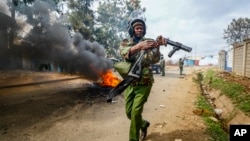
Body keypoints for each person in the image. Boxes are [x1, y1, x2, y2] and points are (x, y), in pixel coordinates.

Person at [119, 10, 167, 141]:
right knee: (129, 113)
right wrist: (138, 46)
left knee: (135, 113)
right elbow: (123, 53)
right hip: (130, 82)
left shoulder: (149, 42)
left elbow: (154, 59)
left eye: (141, 28)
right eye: (137, 28)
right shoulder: (126, 42)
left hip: (144, 83)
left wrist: (157, 47)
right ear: (132, 30)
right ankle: (144, 124)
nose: (139, 30)